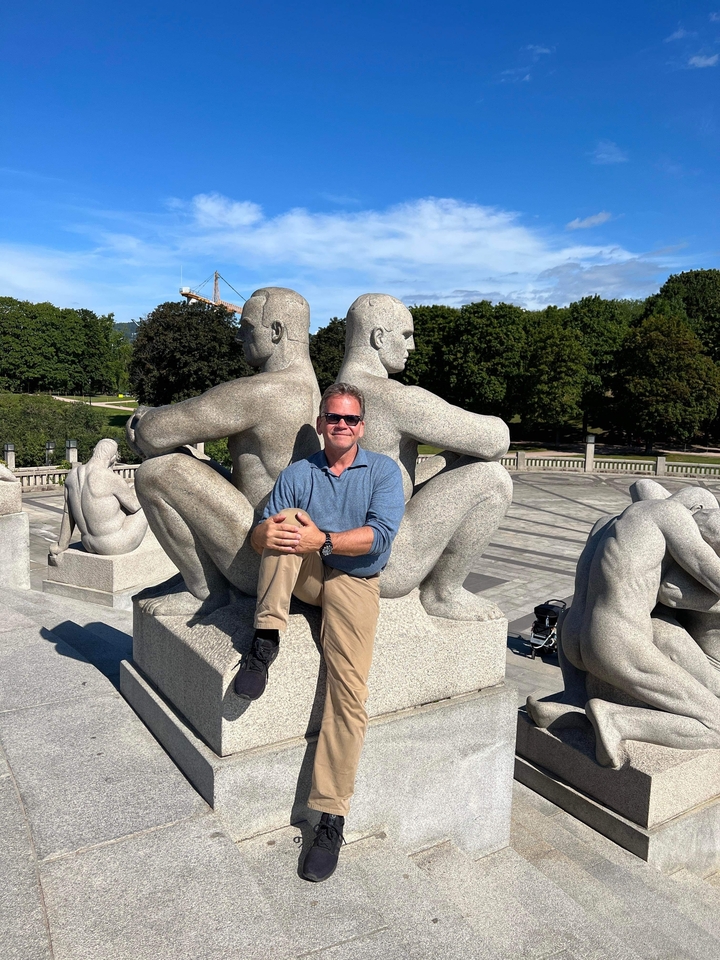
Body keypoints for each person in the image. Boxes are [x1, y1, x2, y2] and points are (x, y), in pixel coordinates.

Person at [235, 382, 404, 882]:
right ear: (320, 423)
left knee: (349, 695)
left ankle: (330, 818)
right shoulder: (298, 473)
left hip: (356, 581)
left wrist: (323, 539)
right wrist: (266, 533)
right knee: (284, 522)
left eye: (351, 420)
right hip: (308, 577)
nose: (342, 426)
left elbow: (380, 535)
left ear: (362, 426)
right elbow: (261, 534)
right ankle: (265, 639)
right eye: (334, 418)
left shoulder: (382, 472)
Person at [126, 287, 321, 617]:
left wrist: (140, 420)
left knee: (157, 473)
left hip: (260, 559)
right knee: (194, 462)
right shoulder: (310, 386)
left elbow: (156, 433)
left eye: (247, 328)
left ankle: (205, 591)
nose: (239, 337)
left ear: (276, 331)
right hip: (290, 548)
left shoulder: (266, 390)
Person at [337, 293, 512, 621]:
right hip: (386, 559)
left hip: (349, 544)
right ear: (378, 337)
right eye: (405, 336)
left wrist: (448, 457)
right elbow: (495, 441)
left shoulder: (338, 392)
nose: (412, 346)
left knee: (449, 460)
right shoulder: (392, 397)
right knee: (493, 478)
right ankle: (442, 592)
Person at [530, 484, 720, 767]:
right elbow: (710, 574)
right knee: (715, 723)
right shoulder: (672, 516)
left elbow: (641, 486)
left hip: (570, 635)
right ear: (696, 512)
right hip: (616, 640)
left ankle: (572, 701)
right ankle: (617, 721)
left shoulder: (607, 522)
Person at [49, 438, 147, 558]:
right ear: (113, 458)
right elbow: (135, 507)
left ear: (94, 451)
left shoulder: (72, 476)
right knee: (147, 505)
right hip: (113, 544)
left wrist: (61, 545)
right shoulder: (110, 477)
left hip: (88, 544)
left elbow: (67, 514)